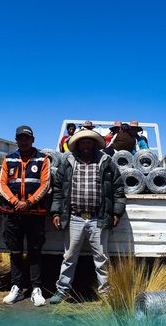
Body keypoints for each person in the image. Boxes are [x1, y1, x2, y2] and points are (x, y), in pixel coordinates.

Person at [49, 129, 126, 304]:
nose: (86, 145)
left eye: (89, 142)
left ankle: (106, 294)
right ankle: (62, 291)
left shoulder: (106, 162)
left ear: (93, 144)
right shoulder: (67, 162)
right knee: (69, 257)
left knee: (101, 259)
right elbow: (58, 189)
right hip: (74, 217)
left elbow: (118, 188)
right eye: (83, 142)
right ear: (78, 144)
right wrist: (56, 212)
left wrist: (116, 212)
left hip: (98, 218)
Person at [0, 125, 51, 306]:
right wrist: (16, 202)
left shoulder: (43, 159)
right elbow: (2, 185)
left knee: (35, 251)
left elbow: (45, 184)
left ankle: (36, 288)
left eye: (27, 138)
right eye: (21, 138)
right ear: (16, 140)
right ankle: (16, 287)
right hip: (12, 214)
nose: (24, 141)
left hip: (35, 213)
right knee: (15, 252)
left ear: (33, 140)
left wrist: (28, 203)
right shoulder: (8, 159)